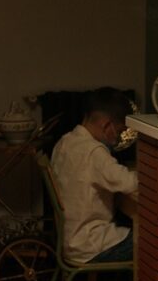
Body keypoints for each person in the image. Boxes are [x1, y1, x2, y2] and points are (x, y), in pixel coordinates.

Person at [50, 87, 138, 264]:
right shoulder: (94, 152)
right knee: (150, 243)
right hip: (90, 244)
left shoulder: (65, 142)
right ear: (106, 125)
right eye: (120, 131)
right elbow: (131, 185)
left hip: (70, 239)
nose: (119, 138)